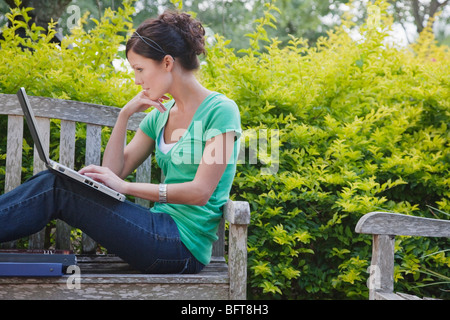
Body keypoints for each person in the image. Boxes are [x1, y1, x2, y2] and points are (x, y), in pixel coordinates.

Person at [0, 11, 241, 274]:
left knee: (58, 188)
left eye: (140, 69)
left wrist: (126, 187)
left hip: (181, 246)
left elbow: (200, 192)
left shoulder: (221, 111)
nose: (137, 80)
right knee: (53, 180)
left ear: (167, 63)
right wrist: (124, 115)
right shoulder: (160, 117)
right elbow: (113, 173)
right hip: (156, 228)